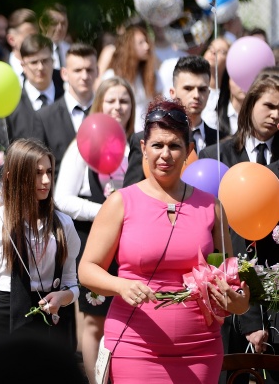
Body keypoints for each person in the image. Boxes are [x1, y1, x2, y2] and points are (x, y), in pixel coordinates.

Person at [78, 98, 249, 383]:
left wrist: (237, 301)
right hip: (134, 347)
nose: (165, 154)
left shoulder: (212, 207)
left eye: (174, 145)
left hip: (200, 351)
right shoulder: (120, 202)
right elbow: (87, 269)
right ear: (144, 149)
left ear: (189, 151)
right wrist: (121, 285)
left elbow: (232, 283)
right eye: (157, 145)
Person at [199, 70, 279, 384]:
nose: (276, 115)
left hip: (275, 299)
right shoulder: (216, 156)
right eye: (269, 106)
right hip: (226, 296)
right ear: (249, 105)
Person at [53, 76, 134, 380]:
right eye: (111, 100)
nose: (117, 107)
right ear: (100, 103)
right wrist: (106, 212)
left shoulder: (136, 145)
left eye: (124, 101)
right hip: (93, 240)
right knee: (94, 322)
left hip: (129, 244)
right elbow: (61, 198)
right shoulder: (82, 144)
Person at [0, 138, 80, 348]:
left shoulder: (64, 224)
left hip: (49, 322)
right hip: (5, 317)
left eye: (49, 172)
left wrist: (64, 296)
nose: (46, 180)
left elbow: (72, 280)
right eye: (37, 173)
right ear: (13, 177)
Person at [124, 56, 219, 187]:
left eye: (202, 89)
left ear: (209, 93)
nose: (196, 95)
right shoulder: (146, 139)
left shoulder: (221, 141)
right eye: (188, 88)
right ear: (172, 92)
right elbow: (130, 196)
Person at [37, 43, 98, 174]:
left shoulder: (108, 114)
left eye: (89, 70)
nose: (85, 76)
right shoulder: (44, 118)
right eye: (77, 70)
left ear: (97, 71)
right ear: (64, 74)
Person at [102, 25, 162, 132]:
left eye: (146, 42)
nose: (147, 46)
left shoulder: (152, 76)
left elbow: (159, 107)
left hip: (146, 134)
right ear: (129, 46)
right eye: (141, 43)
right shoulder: (112, 76)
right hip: (118, 132)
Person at [5, 34, 60, 143]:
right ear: (23, 66)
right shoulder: (12, 106)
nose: (40, 67)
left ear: (53, 62)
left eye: (45, 61)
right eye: (34, 62)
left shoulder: (67, 99)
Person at [5, 9, 38, 82]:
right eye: (28, 37)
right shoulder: (2, 72)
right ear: (11, 40)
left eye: (36, 37)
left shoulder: (45, 68)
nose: (34, 42)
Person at [39, 3, 70, 69]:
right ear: (43, 24)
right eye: (54, 23)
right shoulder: (36, 50)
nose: (60, 28)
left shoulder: (69, 50)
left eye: (63, 23)